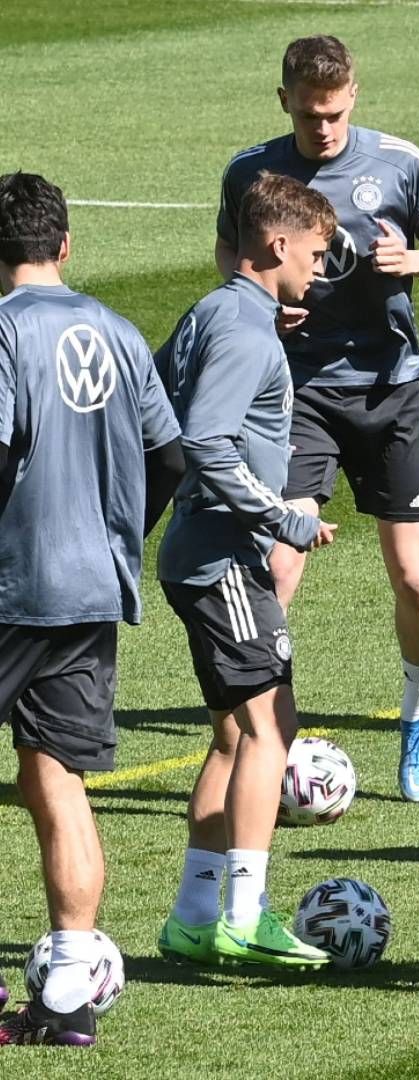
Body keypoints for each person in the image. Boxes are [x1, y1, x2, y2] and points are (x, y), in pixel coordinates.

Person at [218, 34, 419, 801]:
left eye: (333, 113)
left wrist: (410, 263)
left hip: (392, 388)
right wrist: (267, 305)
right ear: (284, 98)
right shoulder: (249, 173)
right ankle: (262, 730)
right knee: (280, 565)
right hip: (301, 393)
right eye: (309, 113)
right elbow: (229, 260)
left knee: (413, 578)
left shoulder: (398, 162)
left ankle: (418, 711)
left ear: (353, 95)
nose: (323, 128)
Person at [0, 172, 183, 1046]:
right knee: (55, 777)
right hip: (90, 590)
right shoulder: (116, 330)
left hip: (12, 586)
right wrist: (115, 534)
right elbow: (170, 458)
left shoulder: (1, 332)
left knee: (51, 777)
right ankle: (69, 996)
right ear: (66, 244)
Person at [154, 172, 340, 973]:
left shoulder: (219, 312)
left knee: (234, 735)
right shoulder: (245, 332)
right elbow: (204, 441)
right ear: (278, 243)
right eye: (318, 253)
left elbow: (157, 402)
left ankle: (194, 915)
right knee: (270, 729)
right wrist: (284, 516)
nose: (322, 269)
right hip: (224, 558)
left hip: (200, 552)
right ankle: (244, 911)